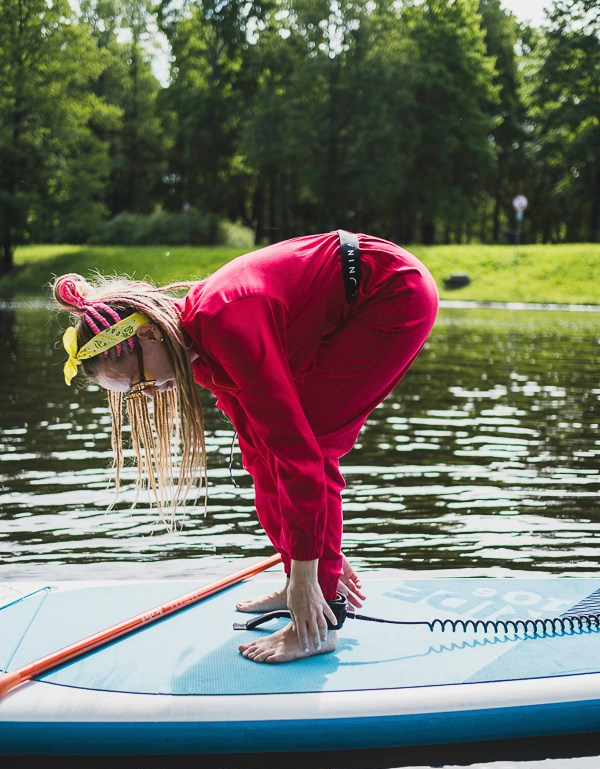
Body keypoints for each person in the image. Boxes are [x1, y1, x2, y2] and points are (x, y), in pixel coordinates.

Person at [54, 231, 438, 664]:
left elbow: (300, 458)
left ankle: (322, 620)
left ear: (148, 336)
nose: (149, 395)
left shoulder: (226, 324)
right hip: (343, 301)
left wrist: (316, 571)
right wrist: (305, 560)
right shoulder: (194, 352)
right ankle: (300, 578)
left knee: (312, 439)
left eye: (141, 382)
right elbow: (262, 457)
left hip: (390, 291)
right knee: (260, 451)